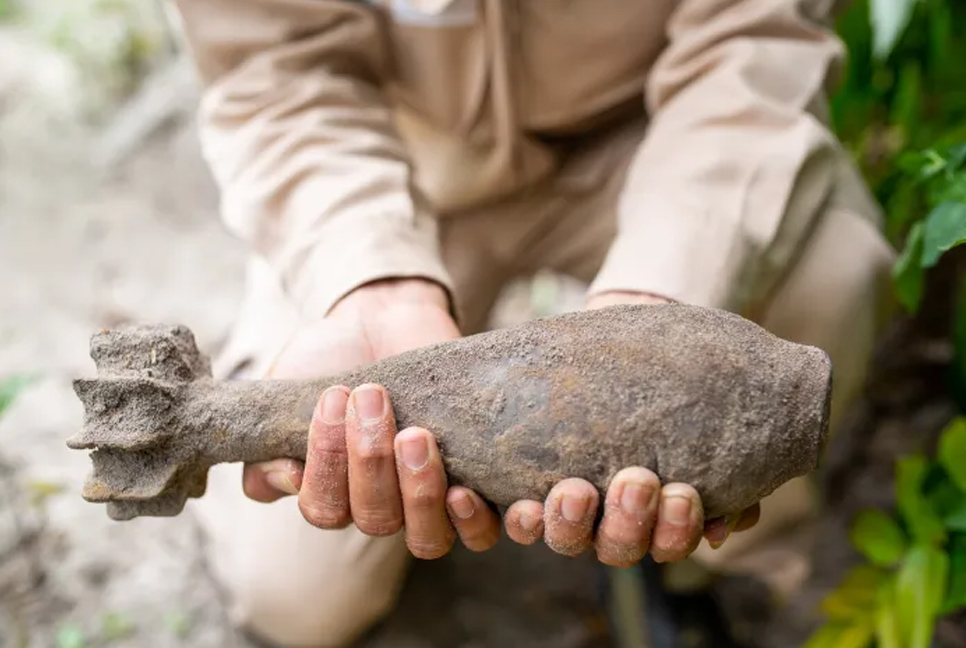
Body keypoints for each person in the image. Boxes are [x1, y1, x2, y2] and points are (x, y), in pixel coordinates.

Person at [170, 0, 897, 646]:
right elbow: (276, 78)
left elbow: (753, 39)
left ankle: (697, 571)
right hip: (390, 183)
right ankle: (217, 415)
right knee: (298, 601)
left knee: (828, 270)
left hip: (654, 143)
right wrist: (373, 282)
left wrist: (658, 309)